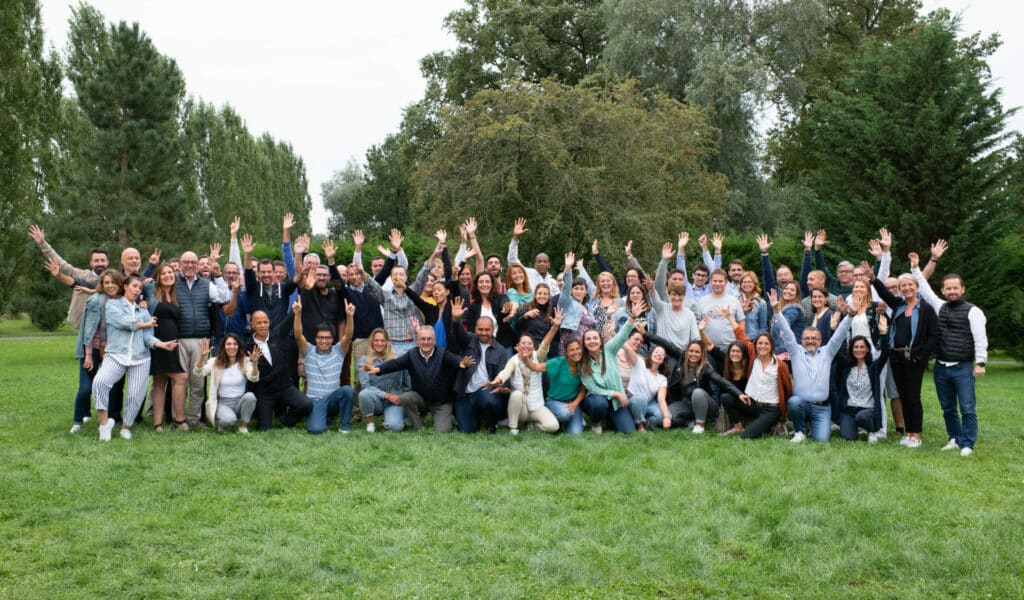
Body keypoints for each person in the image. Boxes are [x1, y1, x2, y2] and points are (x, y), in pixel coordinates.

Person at [910, 250, 987, 456]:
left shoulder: (974, 311)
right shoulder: (940, 306)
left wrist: (980, 363)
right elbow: (924, 290)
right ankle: (954, 438)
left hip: (962, 367)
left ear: (962, 289)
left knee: (968, 408)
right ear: (943, 291)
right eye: (948, 288)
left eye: (955, 288)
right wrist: (916, 268)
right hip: (941, 367)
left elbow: (980, 338)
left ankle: (968, 443)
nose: (952, 291)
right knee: (948, 408)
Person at [92, 275, 178, 441]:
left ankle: (126, 427)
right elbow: (124, 322)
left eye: (139, 287)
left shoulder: (143, 311)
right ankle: (104, 424)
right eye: (134, 286)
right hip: (116, 355)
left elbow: (148, 338)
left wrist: (162, 344)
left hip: (140, 358)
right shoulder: (113, 305)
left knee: (135, 395)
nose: (137, 290)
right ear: (125, 287)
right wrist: (145, 323)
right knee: (100, 382)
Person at [771, 287, 852, 443]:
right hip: (801, 404)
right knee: (794, 402)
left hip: (822, 408)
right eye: (807, 338)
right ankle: (800, 431)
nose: (810, 341)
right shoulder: (796, 352)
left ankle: (815, 427)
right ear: (801, 340)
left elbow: (840, 334)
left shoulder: (827, 352)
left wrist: (850, 316)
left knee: (821, 440)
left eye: (814, 338)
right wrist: (776, 311)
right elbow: (787, 332)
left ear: (820, 341)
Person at [361, 326, 476, 433]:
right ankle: (417, 427)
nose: (426, 342)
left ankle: (447, 417)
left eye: (429, 339)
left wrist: (460, 362)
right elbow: (396, 364)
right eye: (423, 339)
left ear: (434, 340)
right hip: (420, 399)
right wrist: (378, 369)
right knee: (406, 397)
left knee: (443, 431)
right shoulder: (412, 354)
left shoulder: (442, 353)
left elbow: (453, 359)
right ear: (417, 341)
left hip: (441, 402)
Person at [871, 271, 938, 448]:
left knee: (913, 397)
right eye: (903, 286)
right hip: (897, 357)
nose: (907, 288)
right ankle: (907, 433)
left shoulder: (925, 309)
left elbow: (933, 337)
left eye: (910, 285)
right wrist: (873, 279)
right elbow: (884, 294)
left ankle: (915, 434)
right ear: (899, 290)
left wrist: (920, 355)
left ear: (916, 287)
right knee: (902, 396)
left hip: (914, 358)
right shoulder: (899, 305)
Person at [175, 247, 232, 427]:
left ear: (198, 265)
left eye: (193, 262)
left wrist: (218, 275)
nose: (190, 265)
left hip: (201, 340)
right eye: (186, 262)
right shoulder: (173, 282)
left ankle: (194, 419)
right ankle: (178, 418)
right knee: (179, 382)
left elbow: (224, 296)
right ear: (180, 265)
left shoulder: (206, 284)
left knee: (198, 383)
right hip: (179, 338)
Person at [483, 310, 566, 435]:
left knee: (553, 426)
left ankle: (532, 425)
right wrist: (497, 381)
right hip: (521, 408)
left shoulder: (538, 357)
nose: (526, 346)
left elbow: (546, 342)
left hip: (537, 406)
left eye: (529, 343)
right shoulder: (513, 360)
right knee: (516, 394)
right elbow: (505, 372)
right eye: (523, 343)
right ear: (517, 346)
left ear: (533, 346)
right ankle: (513, 426)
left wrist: (554, 327)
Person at [718, 308, 793, 439]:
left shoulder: (780, 365)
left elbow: (788, 389)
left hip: (772, 409)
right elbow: (741, 335)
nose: (762, 346)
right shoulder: (753, 356)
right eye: (760, 343)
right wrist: (729, 316)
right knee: (726, 397)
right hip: (753, 404)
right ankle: (737, 426)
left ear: (771, 346)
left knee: (745, 437)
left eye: (766, 344)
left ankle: (776, 423)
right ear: (756, 345)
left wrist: (784, 413)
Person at [578, 301, 648, 434]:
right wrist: (616, 393)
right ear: (584, 343)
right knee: (599, 403)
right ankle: (596, 422)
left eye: (595, 338)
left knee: (628, 431)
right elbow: (593, 388)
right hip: (597, 400)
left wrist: (632, 317)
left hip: (616, 402)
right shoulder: (583, 363)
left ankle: (609, 420)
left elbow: (622, 336)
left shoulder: (608, 350)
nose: (592, 341)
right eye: (588, 339)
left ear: (600, 340)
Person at [68, 269, 123, 433]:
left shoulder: (123, 301)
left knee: (114, 387)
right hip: (92, 349)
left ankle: (114, 418)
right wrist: (89, 355)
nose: (110, 286)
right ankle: (78, 421)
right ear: (102, 284)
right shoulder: (95, 301)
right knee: (86, 387)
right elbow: (89, 331)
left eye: (113, 282)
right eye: (106, 282)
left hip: (113, 352)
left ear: (119, 283)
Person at [293, 298, 357, 434]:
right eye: (320, 337)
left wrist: (349, 317)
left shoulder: (338, 351)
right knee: (316, 430)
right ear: (315, 339)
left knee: (348, 391)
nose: (324, 341)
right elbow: (298, 335)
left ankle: (344, 427)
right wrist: (298, 314)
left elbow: (349, 335)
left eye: (327, 338)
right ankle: (322, 417)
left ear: (332, 339)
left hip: (333, 399)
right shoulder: (308, 351)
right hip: (316, 400)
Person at [248, 310, 313, 431]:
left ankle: (285, 420)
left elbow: (290, 318)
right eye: (258, 323)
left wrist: (303, 297)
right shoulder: (247, 346)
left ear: (269, 323)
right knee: (264, 429)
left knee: (306, 404)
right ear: (252, 325)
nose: (262, 325)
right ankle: (264, 416)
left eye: (265, 322)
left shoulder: (277, 334)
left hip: (285, 388)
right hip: (264, 393)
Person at [450, 308, 509, 434]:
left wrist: (501, 386)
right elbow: (458, 332)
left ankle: (491, 422)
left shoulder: (501, 351)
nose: (483, 333)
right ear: (475, 329)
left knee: (489, 400)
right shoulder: (468, 340)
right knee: (466, 430)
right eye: (480, 329)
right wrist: (456, 320)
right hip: (466, 394)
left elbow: (503, 374)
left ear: (493, 330)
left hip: (486, 391)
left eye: (487, 330)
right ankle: (475, 417)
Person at [144, 264, 188, 432]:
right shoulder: (151, 290)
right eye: (164, 273)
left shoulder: (173, 295)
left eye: (170, 272)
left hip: (172, 343)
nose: (168, 275)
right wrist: (147, 274)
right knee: (181, 377)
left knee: (160, 381)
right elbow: (133, 283)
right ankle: (180, 419)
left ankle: (158, 424)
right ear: (158, 277)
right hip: (158, 341)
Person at [834, 322, 891, 442]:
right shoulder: (847, 366)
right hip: (848, 410)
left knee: (862, 417)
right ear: (851, 349)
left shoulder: (874, 367)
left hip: (867, 410)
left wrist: (884, 334)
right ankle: (853, 427)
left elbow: (885, 354)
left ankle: (871, 431)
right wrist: (835, 330)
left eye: (862, 347)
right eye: (856, 347)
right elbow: (836, 351)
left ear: (867, 349)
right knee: (848, 438)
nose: (858, 350)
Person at [192, 334, 260, 433]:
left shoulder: (245, 361)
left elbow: (254, 378)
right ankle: (223, 425)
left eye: (235, 344)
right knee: (229, 420)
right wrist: (202, 357)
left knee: (250, 396)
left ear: (238, 346)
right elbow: (198, 372)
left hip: (239, 402)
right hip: (223, 403)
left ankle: (243, 427)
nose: (232, 347)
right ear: (224, 347)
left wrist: (254, 363)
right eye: (228, 344)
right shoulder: (214, 362)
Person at [357, 329, 412, 432]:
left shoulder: (398, 357)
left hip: (395, 401)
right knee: (364, 394)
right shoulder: (364, 361)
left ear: (387, 342)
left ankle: (397, 417)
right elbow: (366, 386)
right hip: (376, 400)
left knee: (394, 427)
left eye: (382, 340)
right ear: (371, 342)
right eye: (376, 340)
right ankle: (370, 424)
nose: (379, 343)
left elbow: (407, 381)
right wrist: (387, 396)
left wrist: (404, 398)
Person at [623, 341, 671, 432]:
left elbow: (661, 399)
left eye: (662, 354)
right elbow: (628, 349)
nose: (659, 355)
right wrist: (614, 334)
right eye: (656, 352)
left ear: (664, 359)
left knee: (664, 416)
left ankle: (647, 421)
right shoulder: (640, 363)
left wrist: (666, 417)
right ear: (651, 354)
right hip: (633, 399)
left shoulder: (662, 378)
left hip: (649, 403)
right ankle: (640, 426)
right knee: (639, 399)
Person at [507, 218, 560, 293]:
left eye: (545, 262)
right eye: (539, 261)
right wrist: (515, 238)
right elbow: (512, 261)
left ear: (549, 265)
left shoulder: (553, 283)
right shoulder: (528, 274)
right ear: (535, 264)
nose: (542, 264)